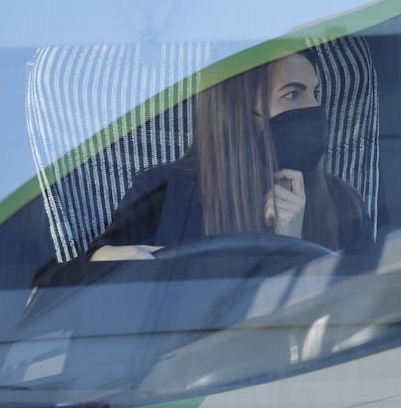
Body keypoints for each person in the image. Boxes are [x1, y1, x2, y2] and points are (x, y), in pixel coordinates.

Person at [89, 47, 373, 260]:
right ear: (238, 110)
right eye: (292, 94)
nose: (314, 108)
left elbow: (366, 306)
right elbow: (77, 280)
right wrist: (114, 258)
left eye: (315, 93)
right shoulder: (162, 193)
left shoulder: (342, 202)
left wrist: (292, 244)